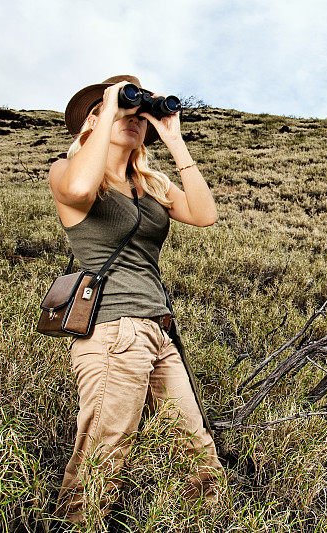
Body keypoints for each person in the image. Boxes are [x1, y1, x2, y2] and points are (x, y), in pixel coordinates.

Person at [48, 75, 224, 526]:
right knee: (105, 451)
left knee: (196, 446)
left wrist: (174, 139)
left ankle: (206, 521)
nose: (132, 118)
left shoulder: (150, 186)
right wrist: (109, 107)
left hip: (159, 331)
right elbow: (79, 191)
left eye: (137, 113)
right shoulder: (65, 173)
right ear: (91, 122)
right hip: (111, 332)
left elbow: (205, 215)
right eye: (121, 108)